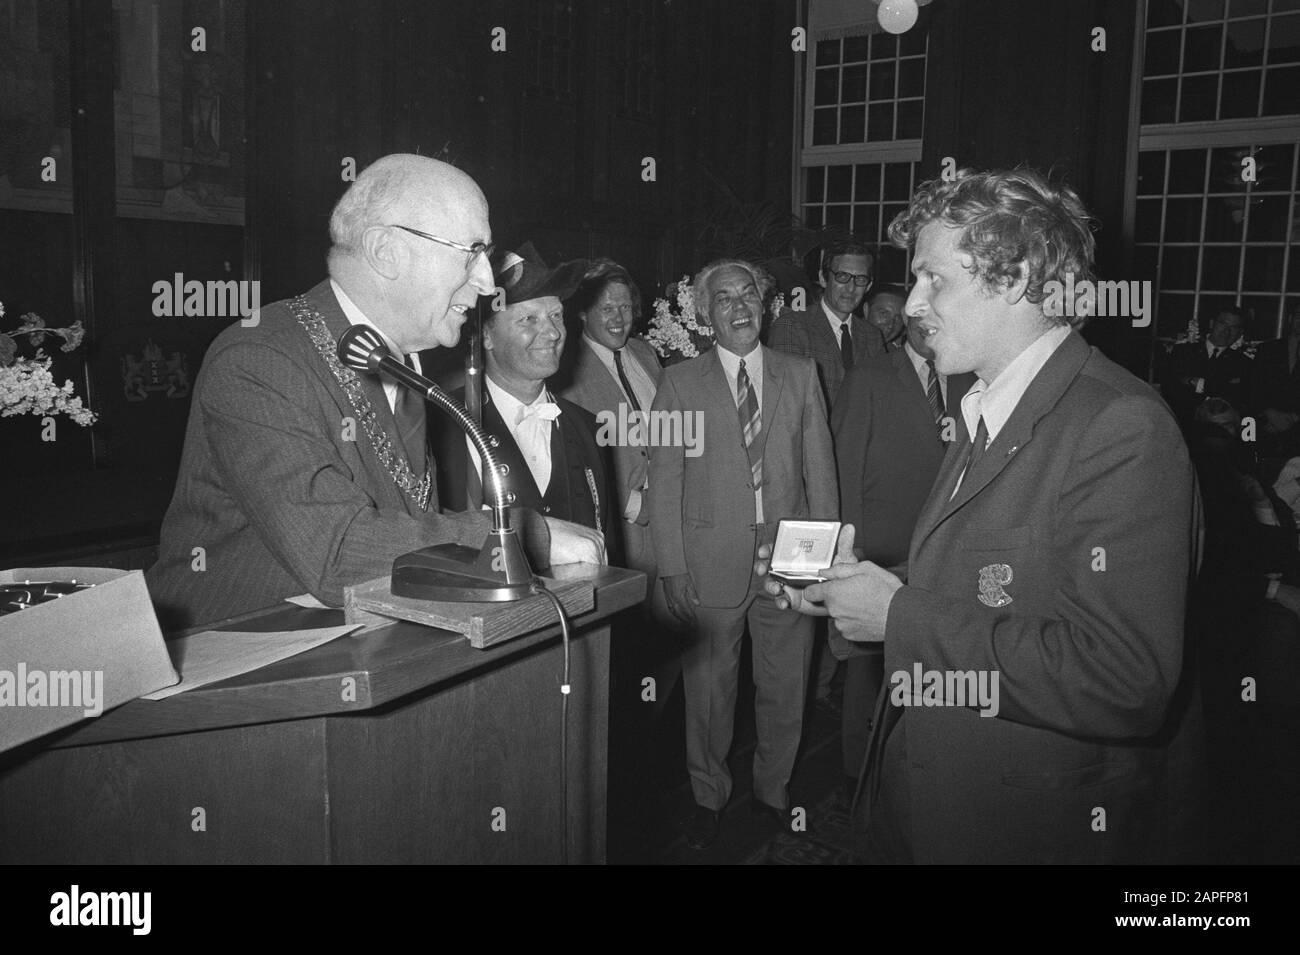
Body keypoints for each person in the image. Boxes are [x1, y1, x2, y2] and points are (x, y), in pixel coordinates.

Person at [759, 169, 1201, 864]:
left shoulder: (1120, 425)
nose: (914, 305)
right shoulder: (988, 405)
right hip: (922, 791)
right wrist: (858, 584)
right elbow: (993, 580)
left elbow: (1126, 679)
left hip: (1017, 819)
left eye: (935, 279)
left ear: (1016, 276)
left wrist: (897, 615)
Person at [147, 156, 603, 630]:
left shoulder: (399, 363)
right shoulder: (259, 357)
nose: (488, 284)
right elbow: (338, 551)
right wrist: (523, 534)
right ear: (386, 250)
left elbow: (396, 523)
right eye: (471, 251)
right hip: (229, 662)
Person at [649, 258, 837, 849]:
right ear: (706, 315)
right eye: (725, 298)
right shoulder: (679, 383)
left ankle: (773, 791)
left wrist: (822, 561)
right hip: (708, 560)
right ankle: (708, 796)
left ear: (767, 304)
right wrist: (673, 566)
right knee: (709, 693)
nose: (739, 306)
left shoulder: (801, 373)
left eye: (749, 294)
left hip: (789, 559)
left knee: (786, 684)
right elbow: (665, 482)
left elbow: (821, 475)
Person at [829, 297, 976, 800]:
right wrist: (850, 547)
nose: (926, 325)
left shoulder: (966, 375)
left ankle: (917, 766)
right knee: (868, 665)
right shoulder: (868, 376)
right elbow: (844, 466)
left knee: (931, 656)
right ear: (904, 324)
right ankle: (856, 771)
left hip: (946, 548)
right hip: (880, 548)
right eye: (918, 318)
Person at [433, 244, 615, 551]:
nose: (554, 332)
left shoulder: (588, 428)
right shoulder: (442, 424)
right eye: (528, 319)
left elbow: (606, 553)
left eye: (556, 315)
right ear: (486, 336)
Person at [766, 239, 875, 410]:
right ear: (823, 279)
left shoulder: (872, 335)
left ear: (868, 285)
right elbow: (787, 402)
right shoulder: (792, 326)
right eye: (842, 276)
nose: (850, 288)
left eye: (860, 279)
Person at [1161, 307, 1252, 427]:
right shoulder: (1183, 351)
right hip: (1180, 424)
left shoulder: (1244, 362)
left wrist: (1195, 382)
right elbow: (1169, 386)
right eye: (1223, 323)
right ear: (1212, 324)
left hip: (1221, 429)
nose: (1227, 331)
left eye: (1234, 327)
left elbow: (1239, 397)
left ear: (1240, 333)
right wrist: (1220, 385)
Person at [863, 284, 908, 358]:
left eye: (898, 317)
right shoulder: (844, 344)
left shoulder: (896, 357)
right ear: (866, 310)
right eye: (883, 313)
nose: (890, 324)